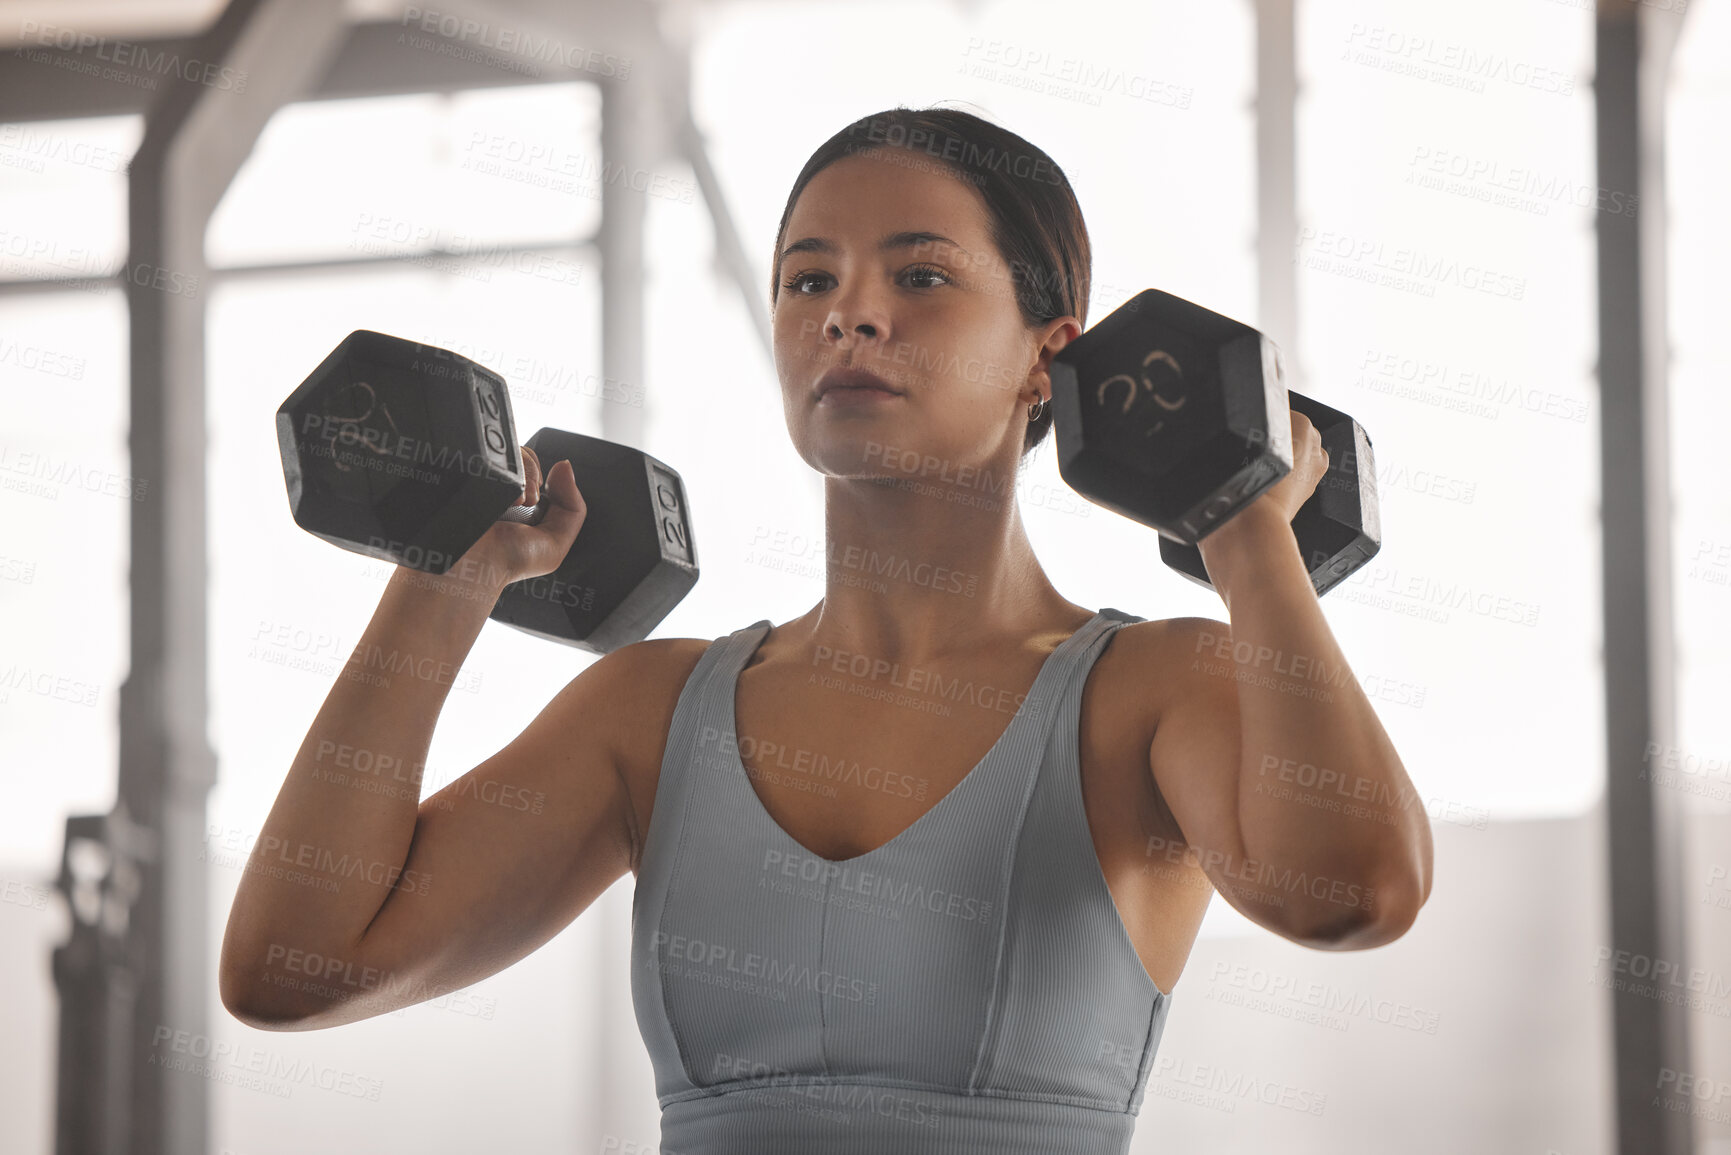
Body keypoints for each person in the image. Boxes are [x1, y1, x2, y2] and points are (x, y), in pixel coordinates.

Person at [220, 105, 1432, 1153]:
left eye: (921, 276)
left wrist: (1246, 530)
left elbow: (1355, 893)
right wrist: (446, 578)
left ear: (1046, 364)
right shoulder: (651, 714)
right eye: (809, 279)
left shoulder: (1152, 690)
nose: (849, 317)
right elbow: (293, 968)